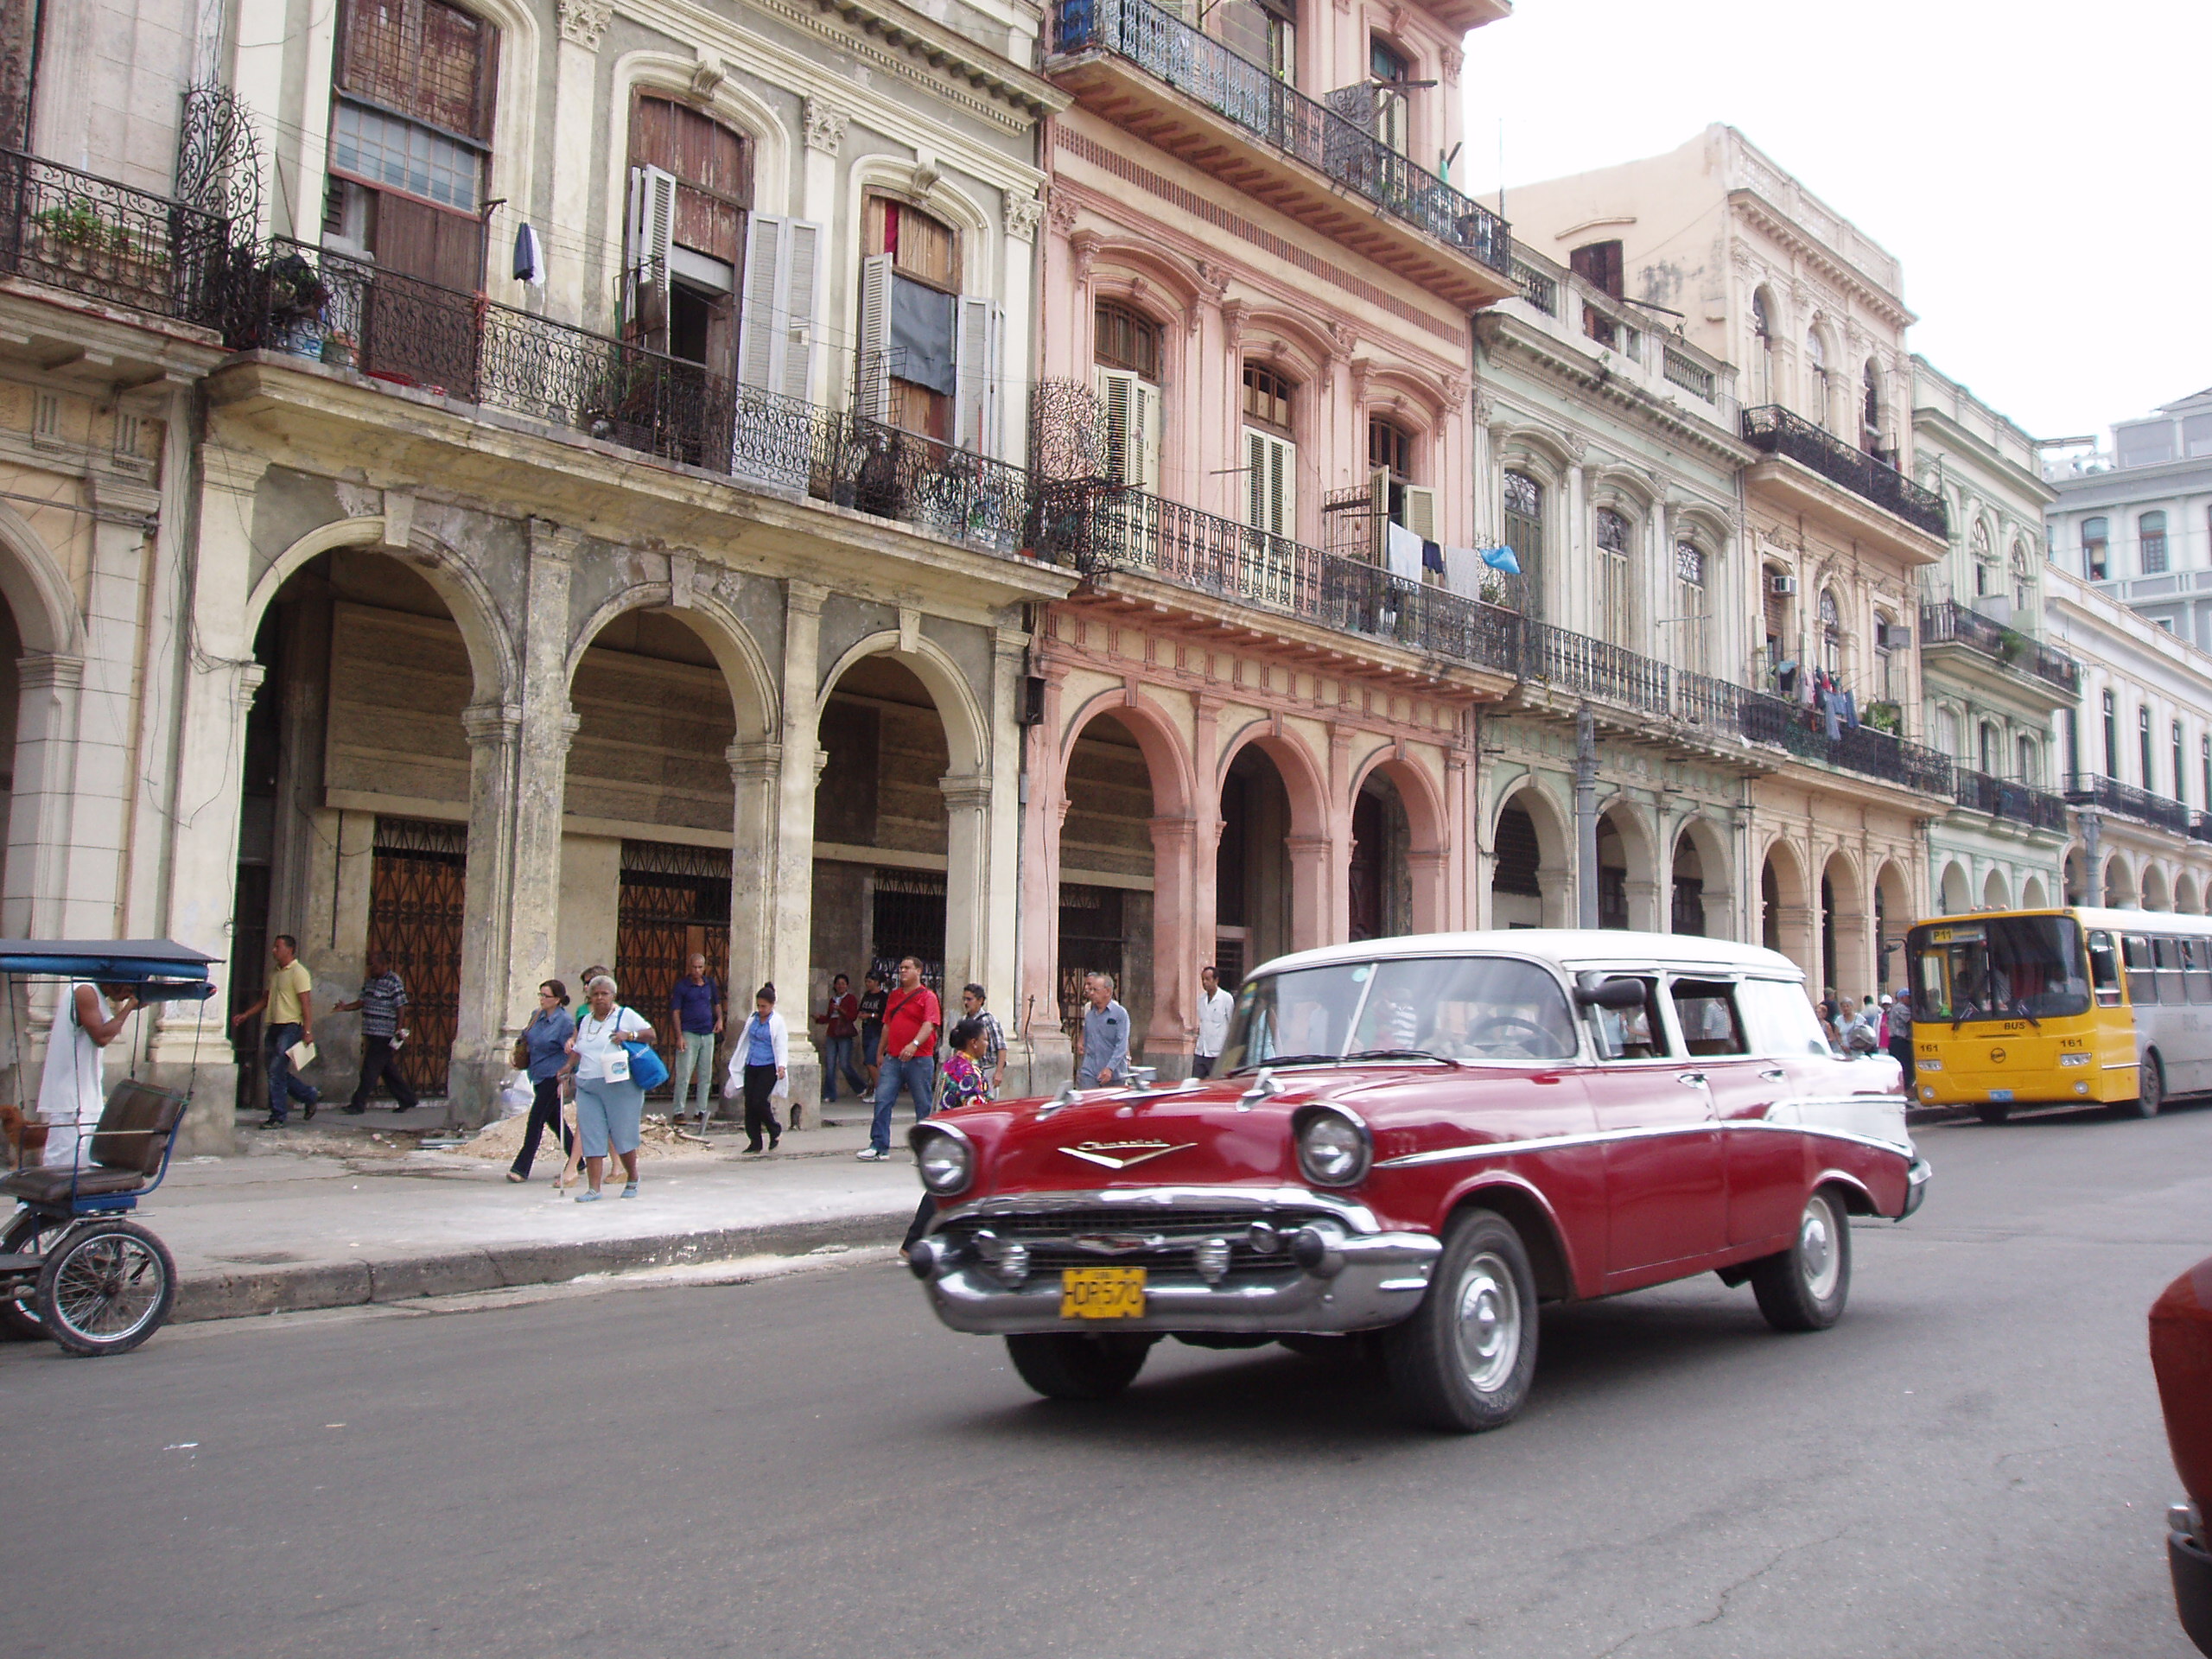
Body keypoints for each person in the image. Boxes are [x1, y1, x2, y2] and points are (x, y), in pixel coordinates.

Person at [901, 1016, 994, 1262]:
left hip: (943, 1134)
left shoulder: (953, 1064)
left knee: (944, 1191)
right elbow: (977, 1110)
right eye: (984, 1040)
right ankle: (916, 1242)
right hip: (956, 1140)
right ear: (973, 1043)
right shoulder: (969, 1072)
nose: (986, 1044)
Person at [565, 974, 652, 1201]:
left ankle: (632, 1177)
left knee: (622, 1133)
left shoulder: (625, 1015)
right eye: (595, 994)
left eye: (605, 994)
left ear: (613, 996)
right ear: (589, 997)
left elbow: (651, 1034)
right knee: (591, 1133)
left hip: (618, 1083)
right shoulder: (586, 1021)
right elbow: (579, 1048)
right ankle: (594, 1189)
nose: (600, 998)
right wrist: (567, 1068)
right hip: (587, 1083)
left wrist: (628, 1035)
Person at [35, 980, 138, 1168]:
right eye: (127, 989)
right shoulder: (85, 990)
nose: (126, 996)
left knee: (85, 1162)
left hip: (86, 1093)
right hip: (71, 1096)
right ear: (112, 982)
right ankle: (48, 1198)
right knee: (61, 1163)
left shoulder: (96, 994)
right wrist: (129, 1008)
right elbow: (101, 1036)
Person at [230, 935, 319, 1127]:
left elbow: (306, 1003)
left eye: (278, 947)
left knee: (276, 1070)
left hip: (291, 1025)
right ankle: (308, 1094)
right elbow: (266, 999)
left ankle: (278, 1115)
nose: (274, 950)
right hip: (275, 1025)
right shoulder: (276, 973)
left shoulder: (298, 972)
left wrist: (308, 1030)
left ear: (290, 949)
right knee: (273, 1070)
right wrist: (246, 1015)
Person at [861, 957, 939, 1161]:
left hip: (919, 1058)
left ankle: (924, 1148)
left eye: (907, 968)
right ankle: (879, 1145)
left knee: (922, 1104)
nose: (903, 971)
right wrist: (880, 1051)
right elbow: (887, 1024)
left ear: (919, 971)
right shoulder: (894, 996)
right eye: (901, 968)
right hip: (893, 1057)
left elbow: (929, 1024)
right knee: (883, 1099)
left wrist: (914, 1044)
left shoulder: (928, 997)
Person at [508, 980, 576, 1183]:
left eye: (546, 996)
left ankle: (521, 1167)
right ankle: (578, 1159)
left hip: (553, 1076)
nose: (542, 999)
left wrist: (567, 1076)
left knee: (536, 1120)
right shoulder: (536, 1016)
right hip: (537, 1073)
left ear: (557, 999)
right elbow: (526, 1035)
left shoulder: (565, 1022)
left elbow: (573, 1050)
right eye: (540, 995)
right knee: (555, 1120)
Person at [334, 950, 416, 1115]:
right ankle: (407, 1098)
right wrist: (345, 1008)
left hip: (384, 1034)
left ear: (384, 964)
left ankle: (358, 1103)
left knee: (369, 1070)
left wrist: (398, 1028)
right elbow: (362, 1001)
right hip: (371, 1031)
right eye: (370, 964)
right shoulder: (370, 981)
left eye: (374, 965)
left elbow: (400, 1006)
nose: (371, 968)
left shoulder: (394, 981)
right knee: (387, 1070)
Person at [725, 982, 788, 1153]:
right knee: (750, 1104)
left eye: (764, 1006)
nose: (761, 1009)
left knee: (759, 1101)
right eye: (759, 1006)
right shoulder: (753, 1019)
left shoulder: (777, 1022)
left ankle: (774, 1128)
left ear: (772, 1005)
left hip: (768, 1066)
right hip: (751, 1064)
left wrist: (782, 1066)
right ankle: (755, 1141)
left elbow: (781, 1045)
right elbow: (745, 1041)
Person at [667, 953, 724, 1133]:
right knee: (684, 1073)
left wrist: (720, 1019)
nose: (697, 970)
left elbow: (716, 1003)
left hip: (707, 1033)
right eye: (694, 967)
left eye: (700, 967)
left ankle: (701, 1110)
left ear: (704, 967)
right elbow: (676, 1011)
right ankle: (679, 1110)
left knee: (705, 1074)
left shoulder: (709, 984)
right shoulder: (682, 986)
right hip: (689, 1033)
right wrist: (679, 1036)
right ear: (689, 967)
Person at [813, 974, 866, 1104]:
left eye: (843, 983)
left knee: (844, 1064)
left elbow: (852, 1016)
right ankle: (829, 1094)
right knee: (830, 1065)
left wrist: (840, 1009)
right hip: (832, 1034)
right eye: (838, 984)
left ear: (847, 986)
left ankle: (860, 1087)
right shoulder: (832, 1000)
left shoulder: (850, 999)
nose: (840, 986)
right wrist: (818, 1018)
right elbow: (828, 1017)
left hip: (844, 1034)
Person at [1074, 971, 1129, 1089]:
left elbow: (1121, 1045)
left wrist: (1110, 1068)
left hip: (1114, 1075)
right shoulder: (1090, 1016)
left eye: (1096, 990)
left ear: (1108, 991)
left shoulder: (1120, 1014)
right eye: (1091, 990)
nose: (1092, 993)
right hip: (1090, 1073)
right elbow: (1088, 1042)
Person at [958, 982, 1006, 1096]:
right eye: (964, 999)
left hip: (987, 1070)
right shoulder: (964, 1021)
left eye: (970, 999)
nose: (966, 1003)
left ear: (980, 1001)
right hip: (969, 1071)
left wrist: (999, 1072)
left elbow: (1001, 1047)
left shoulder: (988, 1020)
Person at [1192, 965, 1233, 1079]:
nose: (1205, 983)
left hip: (1218, 1053)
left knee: (1217, 1083)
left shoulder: (1226, 998)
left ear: (1216, 980)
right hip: (1201, 1051)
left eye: (1207, 979)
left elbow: (1232, 1025)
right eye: (1203, 980)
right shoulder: (1201, 999)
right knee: (1196, 1083)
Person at [856, 971, 888, 1088]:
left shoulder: (883, 997)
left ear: (876, 982)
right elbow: (861, 1008)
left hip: (878, 1031)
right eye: (866, 981)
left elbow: (885, 1015)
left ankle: (879, 1089)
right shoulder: (867, 995)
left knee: (871, 1060)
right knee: (869, 1060)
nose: (867, 984)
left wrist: (871, 1015)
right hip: (867, 1030)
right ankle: (876, 1087)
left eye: (870, 982)